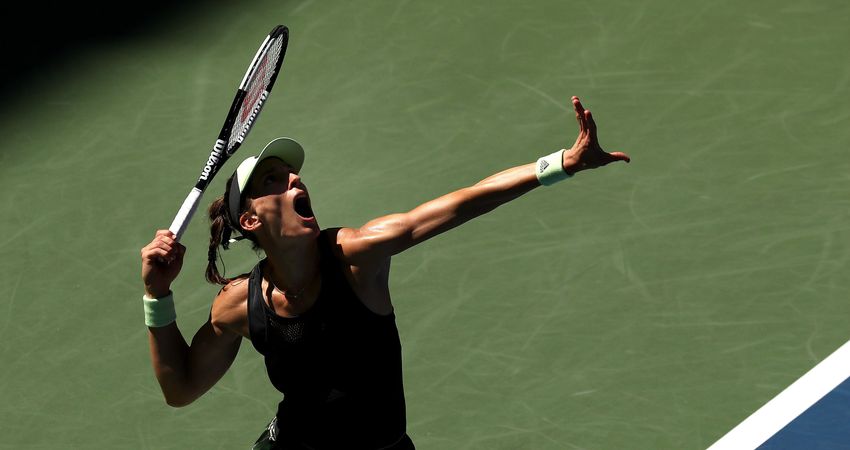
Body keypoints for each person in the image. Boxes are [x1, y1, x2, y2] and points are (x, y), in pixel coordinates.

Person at [140, 96, 630, 449]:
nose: (295, 178)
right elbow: (180, 389)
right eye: (274, 180)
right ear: (250, 220)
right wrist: (157, 296)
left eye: (292, 174)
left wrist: (559, 164)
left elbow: (462, 203)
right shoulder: (239, 304)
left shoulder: (356, 255)